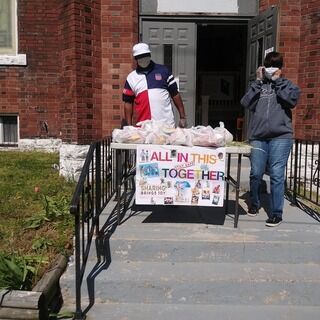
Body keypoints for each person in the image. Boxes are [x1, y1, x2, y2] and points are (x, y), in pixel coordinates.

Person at [240, 51, 300, 227]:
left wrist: (278, 81)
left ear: (281, 69)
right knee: (256, 172)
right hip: (258, 137)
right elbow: (245, 103)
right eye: (269, 66)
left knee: (276, 174)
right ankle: (255, 202)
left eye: (276, 66)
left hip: (281, 137)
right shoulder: (259, 86)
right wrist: (258, 82)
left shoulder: (288, 85)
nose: (271, 70)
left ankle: (276, 213)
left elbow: (291, 101)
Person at [122, 43, 187, 128]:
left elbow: (175, 94)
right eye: (140, 56)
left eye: (145, 55)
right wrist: (129, 126)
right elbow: (128, 102)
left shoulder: (163, 71)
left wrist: (182, 117)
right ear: (136, 59)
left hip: (166, 125)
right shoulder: (131, 78)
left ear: (149, 55)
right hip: (143, 127)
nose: (143, 58)